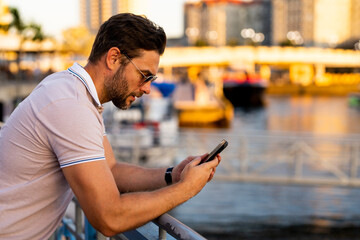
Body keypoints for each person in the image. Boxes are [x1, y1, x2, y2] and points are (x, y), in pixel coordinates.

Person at [0, 13, 221, 239]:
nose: (147, 89)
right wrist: (186, 189)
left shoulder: (71, 90)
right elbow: (109, 217)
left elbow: (111, 169)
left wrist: (172, 175)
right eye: (144, 75)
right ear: (113, 58)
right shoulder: (71, 105)